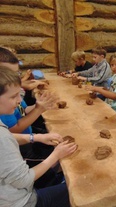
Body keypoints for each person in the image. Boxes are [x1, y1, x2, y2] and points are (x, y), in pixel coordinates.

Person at [0, 66, 78, 207]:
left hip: (13, 190)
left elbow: (8, 137)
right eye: (13, 96)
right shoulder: (3, 138)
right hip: (22, 201)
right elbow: (24, 180)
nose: (19, 100)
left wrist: (35, 137)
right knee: (78, 188)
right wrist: (56, 155)